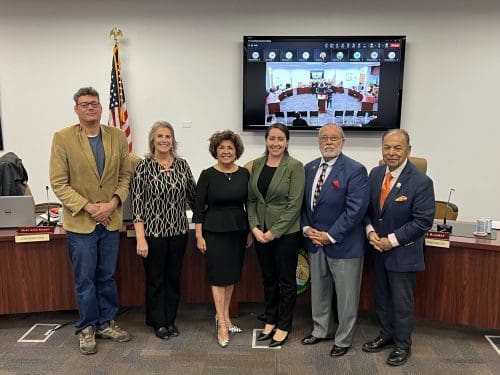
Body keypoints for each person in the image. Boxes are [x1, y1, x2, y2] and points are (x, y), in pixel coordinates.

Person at [49, 87, 132, 355]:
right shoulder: (63, 138)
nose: (90, 108)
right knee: (84, 279)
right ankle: (87, 327)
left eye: (94, 104)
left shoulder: (117, 136)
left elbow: (125, 176)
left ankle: (106, 322)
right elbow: (59, 183)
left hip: (109, 219)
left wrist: (112, 203)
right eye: (84, 104)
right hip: (80, 222)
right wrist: (88, 207)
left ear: (99, 107)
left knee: (106, 276)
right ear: (76, 109)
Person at [362, 129, 435, 366]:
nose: (391, 153)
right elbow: (368, 212)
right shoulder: (374, 174)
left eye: (397, 148)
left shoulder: (421, 182)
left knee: (402, 303)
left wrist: (390, 240)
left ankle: (403, 345)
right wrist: (371, 232)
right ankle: (386, 335)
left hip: (402, 252)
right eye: (387, 148)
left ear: (408, 150)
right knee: (381, 297)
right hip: (377, 250)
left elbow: (422, 221)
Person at [301, 123, 369, 357]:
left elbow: (356, 210)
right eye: (323, 139)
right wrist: (307, 228)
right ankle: (321, 330)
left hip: (344, 245)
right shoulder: (309, 168)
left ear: (343, 142)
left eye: (334, 138)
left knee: (346, 296)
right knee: (319, 291)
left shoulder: (355, 170)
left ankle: (343, 338)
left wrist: (330, 236)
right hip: (315, 242)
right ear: (318, 142)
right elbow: (303, 206)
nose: (328, 142)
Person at [131, 121, 196, 340]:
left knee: (173, 278)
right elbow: (137, 205)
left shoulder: (182, 165)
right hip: (153, 234)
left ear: (173, 140)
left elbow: (194, 197)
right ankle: (158, 322)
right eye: (160, 136)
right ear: (153, 140)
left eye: (168, 136)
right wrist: (140, 238)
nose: (164, 140)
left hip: (178, 232)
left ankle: (170, 320)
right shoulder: (144, 167)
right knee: (155, 279)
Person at [247, 123, 305, 348]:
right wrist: (254, 227)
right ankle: (270, 320)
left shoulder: (294, 166)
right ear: (266, 140)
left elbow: (294, 205)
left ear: (287, 142)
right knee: (268, 278)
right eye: (272, 138)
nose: (275, 143)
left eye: (280, 139)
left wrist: (273, 233)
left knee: (286, 281)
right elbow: (251, 199)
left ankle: (283, 325)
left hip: (285, 234)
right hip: (260, 232)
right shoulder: (258, 164)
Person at [192, 130, 251, 348]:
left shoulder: (244, 174)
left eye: (230, 148)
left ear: (236, 151)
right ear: (215, 151)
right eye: (222, 148)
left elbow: (249, 205)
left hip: (238, 231)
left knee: (231, 276)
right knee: (218, 277)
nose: (226, 151)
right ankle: (221, 325)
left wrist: (248, 231)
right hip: (213, 232)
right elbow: (198, 208)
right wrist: (198, 235)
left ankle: (225, 317)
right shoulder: (207, 174)